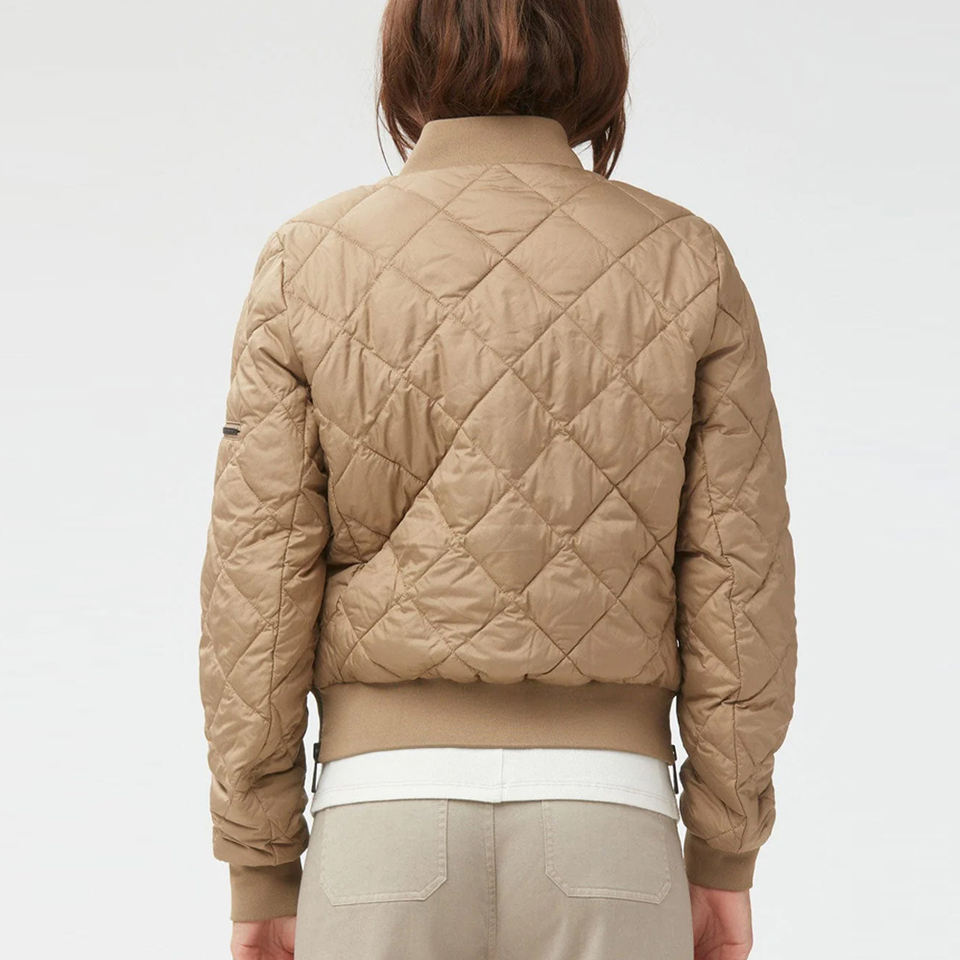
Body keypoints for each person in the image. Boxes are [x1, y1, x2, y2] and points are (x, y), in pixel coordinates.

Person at [198, 1, 798, 958]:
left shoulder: (307, 261)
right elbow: (740, 583)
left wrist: (260, 864)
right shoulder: (687, 260)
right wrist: (725, 852)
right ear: (596, 48)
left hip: (380, 826)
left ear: (408, 48)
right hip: (610, 824)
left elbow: (256, 592)